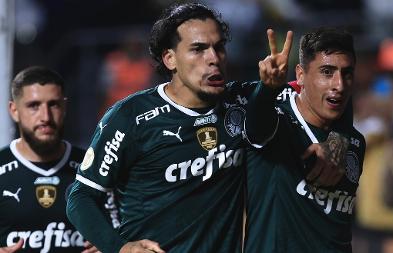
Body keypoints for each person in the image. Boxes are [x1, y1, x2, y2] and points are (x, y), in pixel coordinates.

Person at [65, 3, 294, 253]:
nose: (214, 59)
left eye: (219, 47)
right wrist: (120, 248)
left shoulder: (244, 101)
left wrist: (333, 140)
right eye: (198, 49)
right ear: (170, 58)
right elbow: (81, 198)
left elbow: (315, 101)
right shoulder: (130, 116)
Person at [244, 27, 366, 252]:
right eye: (327, 72)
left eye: (347, 73)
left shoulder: (355, 141)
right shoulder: (279, 123)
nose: (339, 84)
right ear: (300, 75)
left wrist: (341, 135)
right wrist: (267, 89)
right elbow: (256, 126)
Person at [0, 66, 104, 252]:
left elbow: (127, 228)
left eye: (53, 104)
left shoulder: (93, 168)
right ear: (14, 110)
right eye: (34, 106)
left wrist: (112, 244)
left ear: (64, 107)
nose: (45, 117)